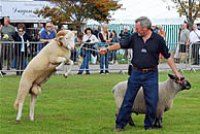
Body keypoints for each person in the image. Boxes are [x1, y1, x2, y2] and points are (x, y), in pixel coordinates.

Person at [99, 16, 183, 131]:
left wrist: (176, 73)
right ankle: (120, 125)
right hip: (136, 73)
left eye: (137, 28)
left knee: (152, 100)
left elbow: (168, 57)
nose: (136, 30)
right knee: (128, 99)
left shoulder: (158, 40)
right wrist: (107, 49)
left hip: (151, 74)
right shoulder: (134, 37)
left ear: (145, 28)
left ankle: (149, 125)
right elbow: (121, 44)